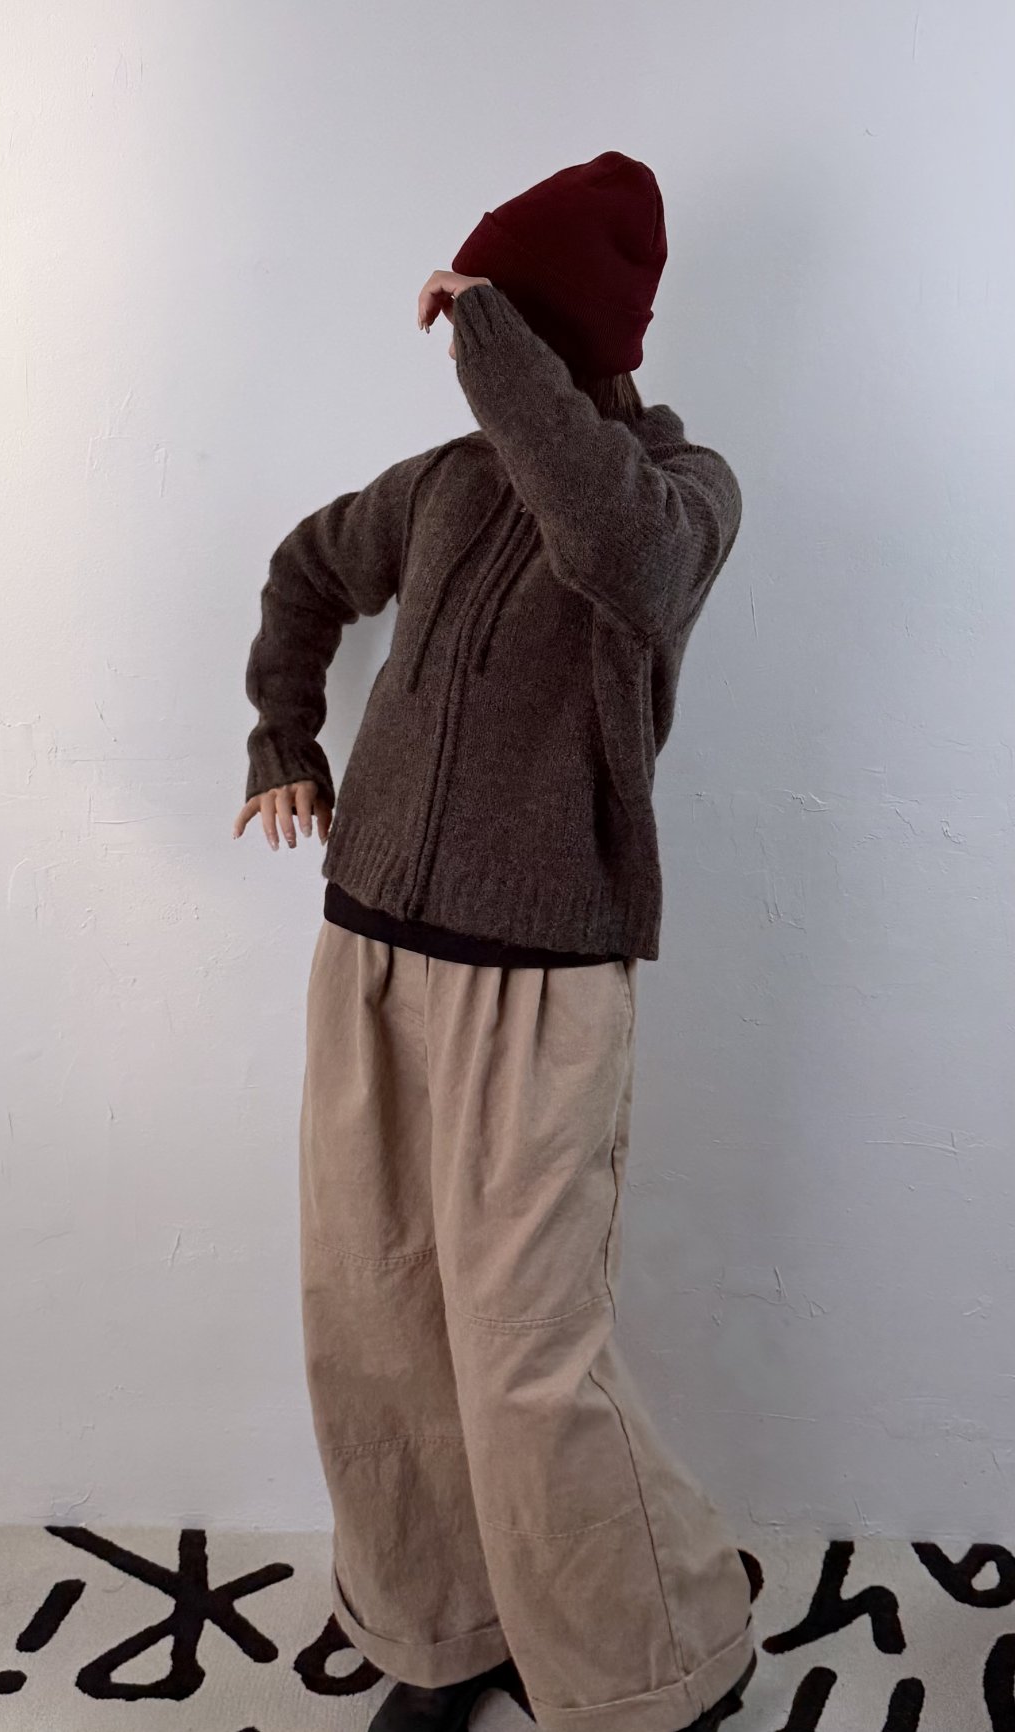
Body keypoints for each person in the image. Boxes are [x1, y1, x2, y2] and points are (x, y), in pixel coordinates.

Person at [234, 152, 757, 1732]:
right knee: (379, 1323)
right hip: (370, 954)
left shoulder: (683, 495)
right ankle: (446, 1633)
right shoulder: (445, 485)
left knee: (529, 1353)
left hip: (545, 983)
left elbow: (611, 549)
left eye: (497, 313)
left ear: (547, 329)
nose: (460, 340)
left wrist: (491, 333)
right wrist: (283, 734)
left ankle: (662, 1661)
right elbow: (306, 569)